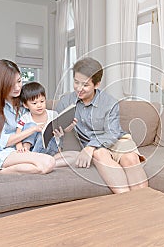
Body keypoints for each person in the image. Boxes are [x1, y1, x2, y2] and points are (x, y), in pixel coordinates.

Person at [55, 57, 148, 193]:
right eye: (76, 82)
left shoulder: (110, 103)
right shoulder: (65, 102)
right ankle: (129, 202)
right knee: (100, 153)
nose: (79, 88)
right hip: (97, 149)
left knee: (130, 158)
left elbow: (113, 133)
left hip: (116, 140)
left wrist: (90, 147)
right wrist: (64, 131)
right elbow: (56, 128)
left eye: (85, 85)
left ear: (97, 84)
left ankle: (148, 204)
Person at [0, 59, 55, 174]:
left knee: (72, 156)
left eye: (19, 81)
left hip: (22, 151)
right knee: (48, 162)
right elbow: (1, 142)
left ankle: (25, 166)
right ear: (0, 86)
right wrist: (32, 130)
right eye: (11, 85)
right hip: (1, 152)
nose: (17, 87)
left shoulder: (24, 102)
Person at [15, 81, 60, 155]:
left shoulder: (53, 115)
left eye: (42, 101)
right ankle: (27, 151)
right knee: (31, 126)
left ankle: (30, 157)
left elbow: (62, 132)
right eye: (34, 103)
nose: (39, 105)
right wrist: (19, 147)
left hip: (49, 147)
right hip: (33, 148)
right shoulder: (25, 118)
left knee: (43, 134)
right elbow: (18, 134)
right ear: (26, 105)